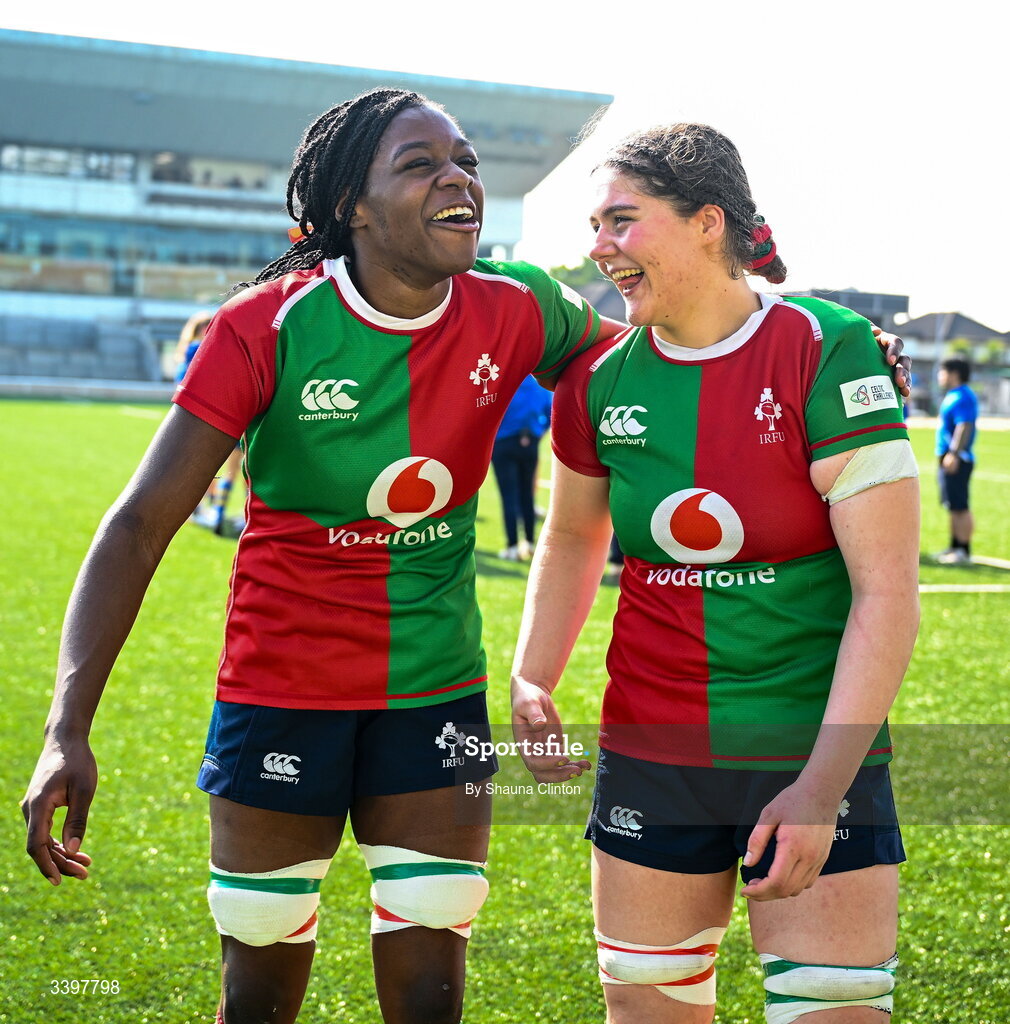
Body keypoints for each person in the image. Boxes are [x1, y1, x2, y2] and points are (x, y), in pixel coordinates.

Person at [21, 88, 624, 1024]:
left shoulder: (519, 306)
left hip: (436, 693)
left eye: (463, 159)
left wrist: (814, 351)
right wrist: (67, 727)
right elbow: (139, 524)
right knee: (258, 987)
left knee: (430, 984)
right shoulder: (265, 329)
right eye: (419, 164)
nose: (456, 177)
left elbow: (648, 366)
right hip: (280, 695)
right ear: (353, 206)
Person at [510, 122, 920, 1024]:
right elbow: (574, 535)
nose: (600, 246)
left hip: (812, 752)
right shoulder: (596, 383)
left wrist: (821, 788)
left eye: (622, 220)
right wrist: (533, 672)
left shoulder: (829, 348)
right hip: (651, 755)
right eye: (594, 225)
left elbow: (888, 593)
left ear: (706, 222)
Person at [175, 309, 245, 535]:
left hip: (200, 419)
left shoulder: (188, 351)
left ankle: (213, 511)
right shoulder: (200, 349)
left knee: (215, 469)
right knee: (232, 470)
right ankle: (219, 513)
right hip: (215, 418)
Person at [491, 374, 552, 560]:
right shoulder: (539, 384)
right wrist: (537, 433)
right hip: (530, 442)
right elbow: (551, 413)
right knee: (528, 495)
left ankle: (512, 547)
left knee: (508, 495)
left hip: (503, 441)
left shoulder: (505, 380)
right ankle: (531, 543)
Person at [934, 357, 979, 565]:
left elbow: (964, 426)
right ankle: (954, 547)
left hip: (958, 458)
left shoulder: (963, 396)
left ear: (954, 373)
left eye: (942, 371)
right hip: (948, 456)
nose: (939, 376)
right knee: (952, 505)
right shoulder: (952, 395)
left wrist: (953, 453)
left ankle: (963, 550)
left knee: (960, 506)